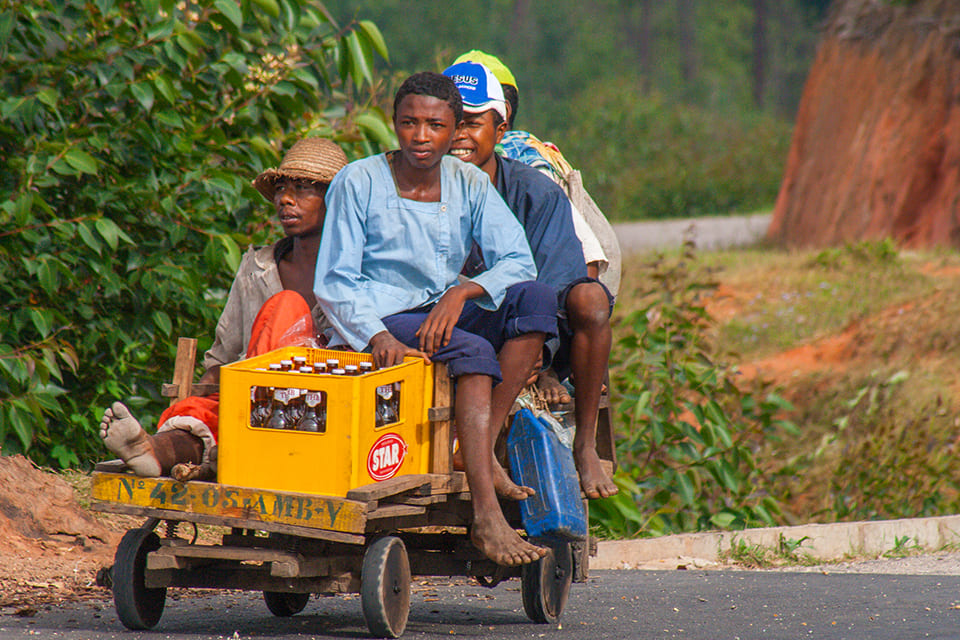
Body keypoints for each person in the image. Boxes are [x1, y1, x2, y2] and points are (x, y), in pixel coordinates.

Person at [313, 71, 556, 567]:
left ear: (453, 130)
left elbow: (518, 260)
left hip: (446, 309)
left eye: (435, 125)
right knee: (474, 350)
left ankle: (480, 447)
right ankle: (487, 516)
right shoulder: (357, 181)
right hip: (385, 315)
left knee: (536, 299)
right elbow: (335, 280)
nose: (421, 137)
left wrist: (465, 289)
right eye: (409, 123)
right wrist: (375, 333)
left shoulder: (467, 181)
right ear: (393, 124)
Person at [99, 137, 349, 480]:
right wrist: (199, 405)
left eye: (303, 189)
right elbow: (223, 358)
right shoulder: (257, 266)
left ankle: (236, 429)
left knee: (286, 306)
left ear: (335, 201)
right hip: (250, 403)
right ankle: (153, 450)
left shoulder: (356, 272)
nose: (285, 199)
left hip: (318, 410)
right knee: (207, 411)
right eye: (281, 188)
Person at [443, 60, 619, 500]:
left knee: (587, 300)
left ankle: (583, 445)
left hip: (531, 330)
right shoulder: (418, 187)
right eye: (451, 123)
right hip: (455, 323)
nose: (461, 135)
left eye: (473, 123)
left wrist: (542, 357)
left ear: (499, 131)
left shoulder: (535, 192)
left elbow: (559, 281)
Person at [452, 50, 621, 300]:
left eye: (471, 118)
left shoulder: (530, 169)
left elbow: (586, 262)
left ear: (502, 115)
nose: (459, 132)